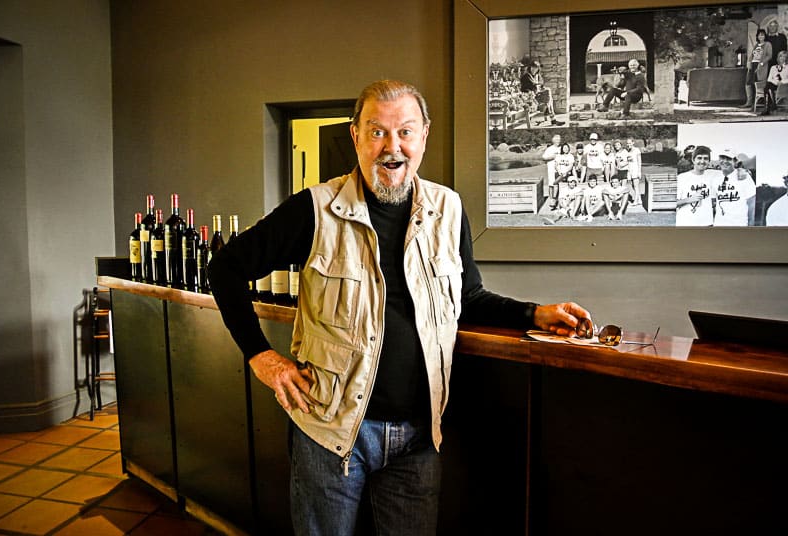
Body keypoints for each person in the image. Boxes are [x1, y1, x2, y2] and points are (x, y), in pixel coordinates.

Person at [207, 80, 592, 536]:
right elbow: (225, 268)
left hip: (419, 437)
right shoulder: (316, 208)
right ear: (356, 136)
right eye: (378, 132)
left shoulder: (448, 209)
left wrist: (533, 314)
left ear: (424, 135)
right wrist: (261, 357)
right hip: (330, 430)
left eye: (405, 132)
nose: (393, 147)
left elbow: (468, 297)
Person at [675, 145, 722, 226]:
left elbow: (730, 172)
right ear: (693, 160)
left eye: (705, 159)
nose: (702, 161)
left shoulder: (713, 175)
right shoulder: (682, 178)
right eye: (699, 158)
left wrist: (740, 170)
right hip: (685, 224)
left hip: (707, 224)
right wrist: (689, 199)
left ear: (709, 161)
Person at [713, 149, 756, 226]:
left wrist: (750, 227)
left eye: (728, 159)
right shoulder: (715, 177)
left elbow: (751, 204)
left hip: (739, 225)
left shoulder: (744, 177)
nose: (725, 161)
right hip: (719, 225)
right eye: (722, 158)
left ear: (735, 161)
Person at [519, 60, 564, 126]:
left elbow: (541, 84)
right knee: (548, 93)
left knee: (549, 97)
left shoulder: (537, 76)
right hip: (530, 99)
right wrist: (538, 86)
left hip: (536, 96)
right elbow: (533, 86)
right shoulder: (526, 76)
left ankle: (550, 115)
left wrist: (539, 86)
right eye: (532, 67)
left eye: (536, 68)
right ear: (530, 67)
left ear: (538, 69)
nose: (534, 70)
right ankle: (551, 117)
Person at [740, 29, 772, 109]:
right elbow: (752, 55)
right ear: (757, 36)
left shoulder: (767, 44)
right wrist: (749, 62)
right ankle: (749, 102)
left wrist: (762, 63)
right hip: (753, 65)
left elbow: (769, 55)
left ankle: (756, 104)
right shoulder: (756, 45)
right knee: (748, 83)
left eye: (762, 35)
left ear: (765, 36)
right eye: (759, 35)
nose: (761, 36)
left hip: (761, 66)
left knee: (757, 84)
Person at [762, 49, 788, 116]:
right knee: (768, 87)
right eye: (781, 56)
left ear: (786, 58)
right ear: (778, 57)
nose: (782, 58)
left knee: (767, 88)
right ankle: (771, 106)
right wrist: (776, 82)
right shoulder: (773, 67)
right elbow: (769, 79)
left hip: (783, 87)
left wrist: (782, 82)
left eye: (784, 56)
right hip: (773, 85)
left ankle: (769, 108)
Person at [542, 134, 562, 209]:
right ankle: (551, 200)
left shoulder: (561, 148)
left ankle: (558, 200)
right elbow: (543, 158)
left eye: (559, 140)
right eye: (556, 140)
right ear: (553, 141)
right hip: (551, 169)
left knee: (559, 185)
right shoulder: (549, 149)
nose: (558, 141)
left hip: (560, 170)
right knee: (551, 184)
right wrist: (552, 157)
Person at [626, 138, 643, 206]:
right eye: (627, 143)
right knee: (633, 185)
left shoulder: (637, 150)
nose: (628, 144)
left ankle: (635, 201)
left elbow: (639, 161)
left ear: (633, 143)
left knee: (636, 186)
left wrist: (639, 172)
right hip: (630, 170)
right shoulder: (627, 151)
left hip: (635, 169)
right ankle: (640, 200)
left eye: (630, 143)